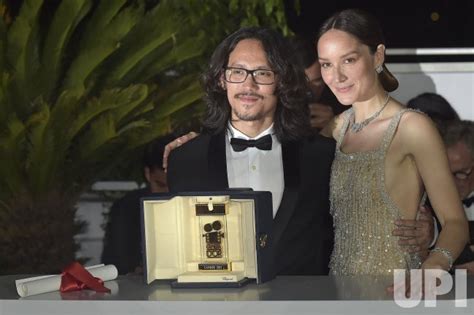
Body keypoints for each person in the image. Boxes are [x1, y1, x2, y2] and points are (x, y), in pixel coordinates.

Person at [165, 27, 433, 276]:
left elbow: (363, 221)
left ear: (282, 82)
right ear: (222, 80)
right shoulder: (185, 159)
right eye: (237, 72)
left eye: (263, 73)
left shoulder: (321, 156)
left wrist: (427, 230)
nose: (248, 85)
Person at [317, 9, 468, 275]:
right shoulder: (333, 129)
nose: (336, 76)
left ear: (377, 55)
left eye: (348, 60)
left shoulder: (412, 127)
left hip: (396, 289)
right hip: (337, 290)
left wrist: (433, 266)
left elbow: (455, 222)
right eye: (326, 64)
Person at [101, 136, 170, 275]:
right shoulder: (126, 208)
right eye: (161, 185)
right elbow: (115, 263)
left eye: (174, 185)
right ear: (147, 174)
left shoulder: (196, 204)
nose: (168, 193)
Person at [289, 36, 345, 130]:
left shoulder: (342, 102)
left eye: (317, 81)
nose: (308, 91)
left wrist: (335, 128)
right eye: (300, 82)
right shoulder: (271, 108)